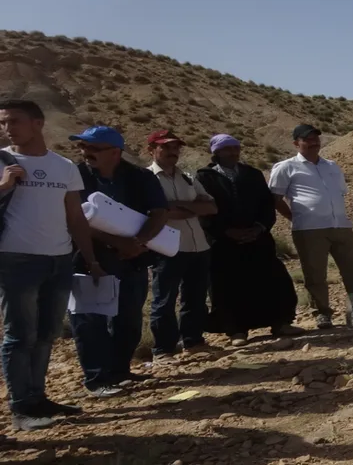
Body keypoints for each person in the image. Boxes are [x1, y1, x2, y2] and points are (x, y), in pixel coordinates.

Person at [0, 100, 103, 430]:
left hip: (58, 260)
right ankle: (21, 408)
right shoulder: (2, 161)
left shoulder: (64, 166)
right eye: (3, 123)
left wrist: (91, 259)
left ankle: (38, 398)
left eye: (14, 121)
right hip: (16, 260)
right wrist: (4, 186)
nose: (7, 128)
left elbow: (75, 217)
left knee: (46, 334)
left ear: (38, 123)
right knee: (19, 336)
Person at [69, 125, 169, 397]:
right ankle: (97, 379)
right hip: (88, 259)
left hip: (132, 259)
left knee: (129, 317)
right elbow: (72, 218)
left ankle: (119, 371)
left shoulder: (140, 177)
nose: (85, 152)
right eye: (83, 147)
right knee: (90, 321)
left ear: (115, 152)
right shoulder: (74, 176)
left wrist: (139, 242)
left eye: (93, 148)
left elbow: (160, 212)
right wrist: (116, 242)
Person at [269, 124, 353, 329]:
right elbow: (275, 199)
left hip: (341, 226)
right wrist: (293, 217)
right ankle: (322, 313)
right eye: (307, 139)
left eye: (316, 138)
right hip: (309, 229)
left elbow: (339, 193)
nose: (313, 142)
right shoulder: (286, 167)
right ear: (296, 143)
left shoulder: (331, 166)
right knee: (315, 274)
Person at [195, 134, 303, 345]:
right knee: (228, 286)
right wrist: (226, 231)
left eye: (236, 148)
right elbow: (204, 210)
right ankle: (236, 330)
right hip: (224, 243)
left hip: (257, 240)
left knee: (272, 279)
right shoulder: (205, 177)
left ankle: (280, 323)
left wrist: (259, 228)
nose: (234, 153)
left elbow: (266, 205)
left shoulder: (252, 174)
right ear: (216, 152)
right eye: (228, 149)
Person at [146, 129, 217, 358]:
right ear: (151, 149)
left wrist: (177, 206)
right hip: (167, 247)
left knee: (195, 298)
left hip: (198, 245)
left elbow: (211, 207)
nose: (172, 151)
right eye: (165, 147)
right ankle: (163, 349)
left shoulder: (187, 177)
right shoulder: (146, 178)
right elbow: (156, 212)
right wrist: (192, 207)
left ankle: (193, 341)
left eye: (175, 147)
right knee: (164, 300)